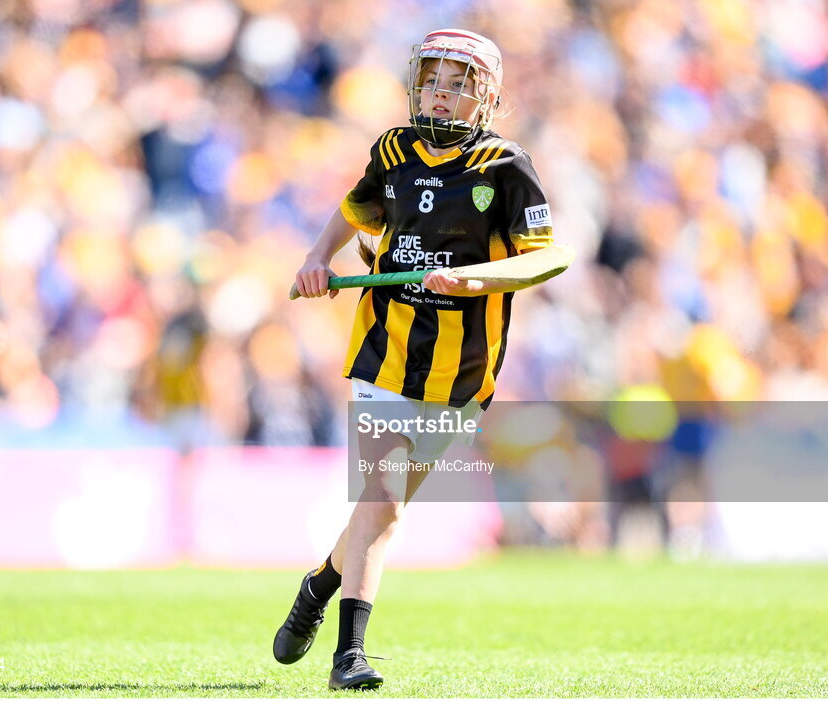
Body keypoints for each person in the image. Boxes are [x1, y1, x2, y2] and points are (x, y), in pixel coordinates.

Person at [275, 28, 557, 691]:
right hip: (385, 351)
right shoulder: (394, 150)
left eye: (458, 84)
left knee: (383, 503)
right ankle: (350, 654)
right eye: (433, 80)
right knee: (384, 500)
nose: (443, 94)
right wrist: (319, 259)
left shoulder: (506, 167)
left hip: (462, 373)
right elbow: (354, 210)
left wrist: (477, 281)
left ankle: (319, 583)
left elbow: (548, 256)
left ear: (484, 96)